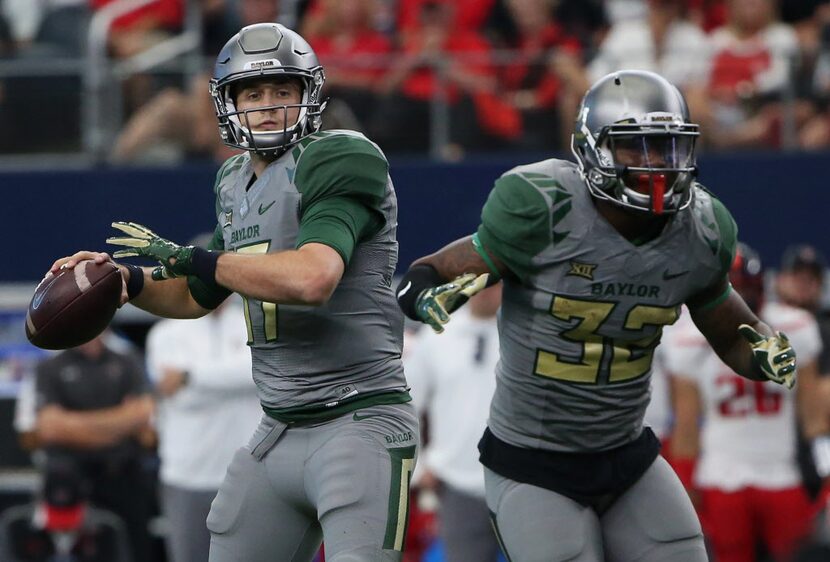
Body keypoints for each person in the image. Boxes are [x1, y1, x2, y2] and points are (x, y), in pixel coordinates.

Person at [49, 22, 418, 562]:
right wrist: (124, 282)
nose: (268, 106)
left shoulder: (337, 157)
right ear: (229, 104)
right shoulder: (233, 181)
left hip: (357, 421)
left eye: (281, 91)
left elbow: (313, 278)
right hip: (279, 425)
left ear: (307, 95)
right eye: (252, 93)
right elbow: (196, 294)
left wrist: (195, 258)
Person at [395, 69, 798, 561]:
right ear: (593, 149)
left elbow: (728, 327)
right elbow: (445, 266)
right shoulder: (546, 206)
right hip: (534, 460)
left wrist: (762, 347)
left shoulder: (702, 229)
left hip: (626, 454)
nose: (658, 165)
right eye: (638, 147)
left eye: (668, 147)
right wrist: (425, 286)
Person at [668, 243, 826, 562]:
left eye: (747, 291)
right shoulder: (684, 340)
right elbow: (686, 429)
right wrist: (684, 484)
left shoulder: (796, 327)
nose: (741, 303)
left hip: (781, 472)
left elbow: (814, 414)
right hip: (721, 475)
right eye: (735, 292)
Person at [145, 295, 262, 562]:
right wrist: (232, 380)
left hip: (246, 475)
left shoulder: (253, 325)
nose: (215, 291)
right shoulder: (164, 333)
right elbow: (184, 399)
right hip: (186, 475)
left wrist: (189, 376)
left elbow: (257, 372)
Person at [33, 332, 155, 562]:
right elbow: (50, 428)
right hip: (70, 481)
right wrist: (121, 422)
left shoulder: (127, 361)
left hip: (124, 476)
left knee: (135, 549)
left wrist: (74, 424)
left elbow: (144, 418)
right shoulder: (50, 367)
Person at [404, 283, 503, 562]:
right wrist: (419, 465)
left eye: (495, 284)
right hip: (456, 485)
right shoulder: (437, 335)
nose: (487, 291)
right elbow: (406, 403)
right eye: (481, 283)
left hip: (522, 482)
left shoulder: (528, 334)